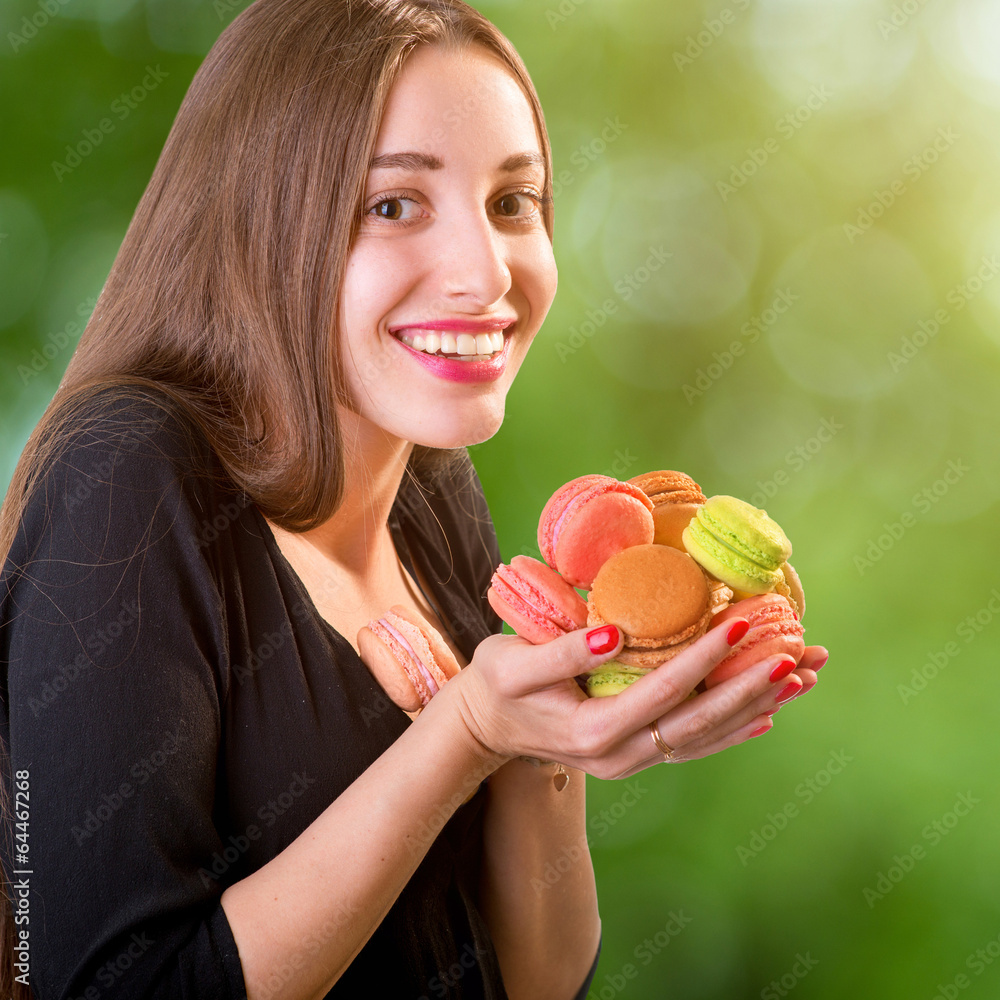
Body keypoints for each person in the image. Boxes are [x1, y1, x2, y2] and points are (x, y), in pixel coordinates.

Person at [0, 1, 827, 997]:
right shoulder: (125, 472)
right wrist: (463, 733)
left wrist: (539, 739)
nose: (487, 274)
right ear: (266, 218)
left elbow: (539, 979)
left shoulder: (429, 484)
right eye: (394, 205)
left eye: (513, 202)